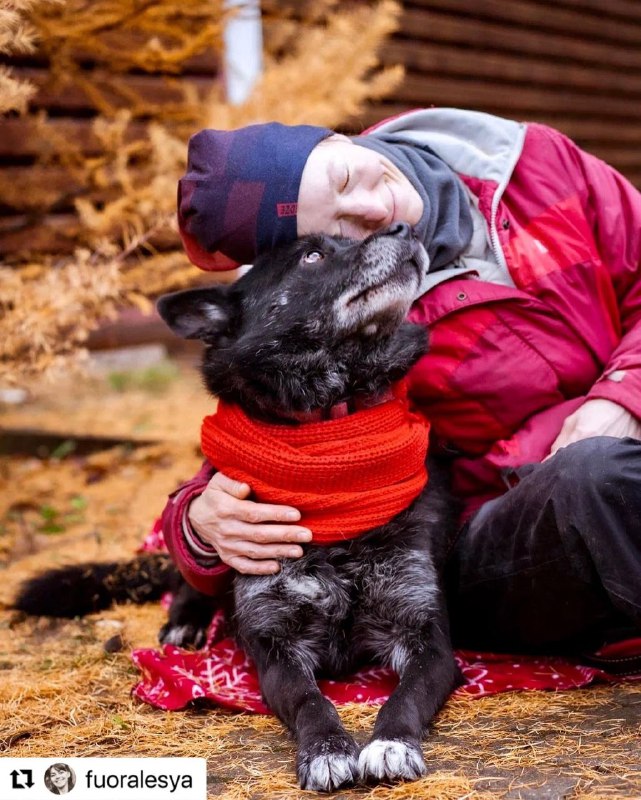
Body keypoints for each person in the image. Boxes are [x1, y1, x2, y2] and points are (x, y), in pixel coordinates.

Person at [162, 108, 641, 660]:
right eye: (334, 232)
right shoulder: (344, 320)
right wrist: (198, 521)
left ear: (339, 138)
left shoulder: (533, 166)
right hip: (510, 535)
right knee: (596, 477)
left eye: (344, 177)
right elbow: (263, 444)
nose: (372, 208)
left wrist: (623, 395)